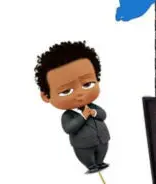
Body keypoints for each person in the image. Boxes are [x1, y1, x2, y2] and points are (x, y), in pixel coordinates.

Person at [35, 41, 110, 173]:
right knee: (87, 156)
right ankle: (91, 165)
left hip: (102, 139)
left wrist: (94, 112)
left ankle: (100, 162)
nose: (80, 93)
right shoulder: (68, 116)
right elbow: (69, 128)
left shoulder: (92, 106)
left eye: (87, 84)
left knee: (102, 152)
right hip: (83, 145)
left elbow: (103, 115)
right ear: (46, 96)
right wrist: (83, 116)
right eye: (66, 91)